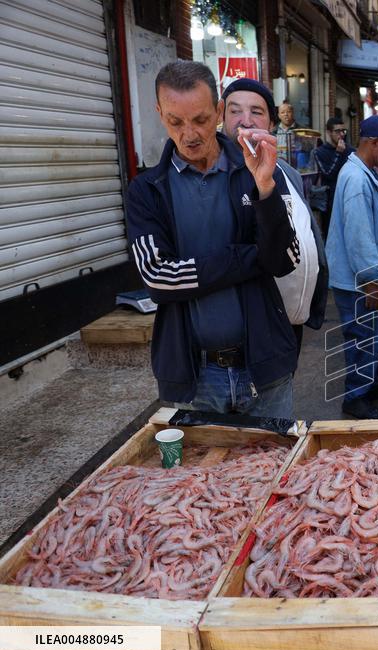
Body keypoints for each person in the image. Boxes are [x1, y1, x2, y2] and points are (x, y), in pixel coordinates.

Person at [125, 61, 299, 417]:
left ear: (219, 111)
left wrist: (266, 188)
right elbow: (159, 279)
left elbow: (285, 260)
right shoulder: (147, 191)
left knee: (276, 470)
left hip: (265, 367)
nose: (189, 133)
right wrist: (249, 257)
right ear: (160, 114)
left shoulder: (257, 170)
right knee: (201, 473)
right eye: (175, 121)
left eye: (201, 119)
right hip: (194, 376)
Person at [221, 78, 328, 350]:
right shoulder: (216, 175)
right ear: (221, 117)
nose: (245, 121)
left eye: (256, 112)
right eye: (235, 111)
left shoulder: (285, 171)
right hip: (250, 326)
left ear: (271, 124)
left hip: (291, 324)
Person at [326, 116, 378, 419]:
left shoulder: (363, 172)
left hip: (361, 276)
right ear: (373, 143)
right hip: (358, 280)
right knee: (361, 337)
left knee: (370, 335)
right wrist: (372, 281)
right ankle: (354, 397)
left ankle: (368, 385)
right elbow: (358, 236)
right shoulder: (357, 179)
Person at [310, 117, 355, 235]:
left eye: (343, 131)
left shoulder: (350, 150)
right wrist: (338, 153)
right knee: (331, 235)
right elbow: (328, 174)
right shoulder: (319, 152)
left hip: (349, 198)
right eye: (337, 131)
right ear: (329, 132)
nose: (341, 135)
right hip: (331, 201)